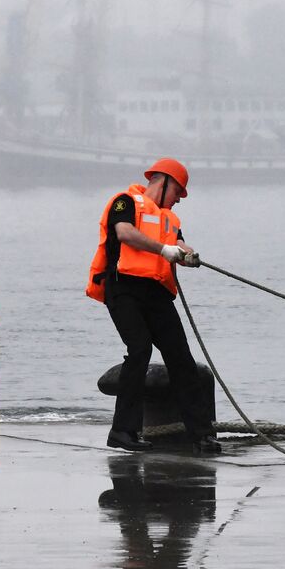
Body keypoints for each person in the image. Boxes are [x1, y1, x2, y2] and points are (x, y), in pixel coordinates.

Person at [85, 158, 219, 454]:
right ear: (164, 181)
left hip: (157, 293)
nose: (178, 200)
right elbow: (124, 233)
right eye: (177, 192)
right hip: (123, 287)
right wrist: (163, 249)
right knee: (140, 348)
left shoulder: (171, 219)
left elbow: (179, 244)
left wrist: (189, 254)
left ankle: (202, 434)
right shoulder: (125, 202)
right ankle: (123, 430)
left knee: (181, 358)